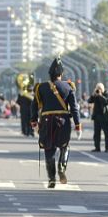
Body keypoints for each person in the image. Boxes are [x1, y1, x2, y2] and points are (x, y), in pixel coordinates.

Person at [30, 58, 81, 188]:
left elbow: (34, 106)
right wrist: (77, 125)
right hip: (63, 121)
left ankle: (51, 178)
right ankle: (62, 168)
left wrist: (34, 122)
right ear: (61, 74)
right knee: (64, 145)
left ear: (50, 74)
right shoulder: (68, 86)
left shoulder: (41, 87)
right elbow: (74, 108)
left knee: (48, 148)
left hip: (46, 121)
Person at [87, 83, 108, 152]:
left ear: (103, 88)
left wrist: (100, 95)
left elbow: (107, 102)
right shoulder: (96, 94)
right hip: (97, 116)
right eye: (97, 88)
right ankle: (97, 147)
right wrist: (93, 95)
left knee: (107, 133)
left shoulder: (107, 93)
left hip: (105, 117)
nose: (98, 90)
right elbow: (89, 101)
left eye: (100, 88)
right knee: (96, 133)